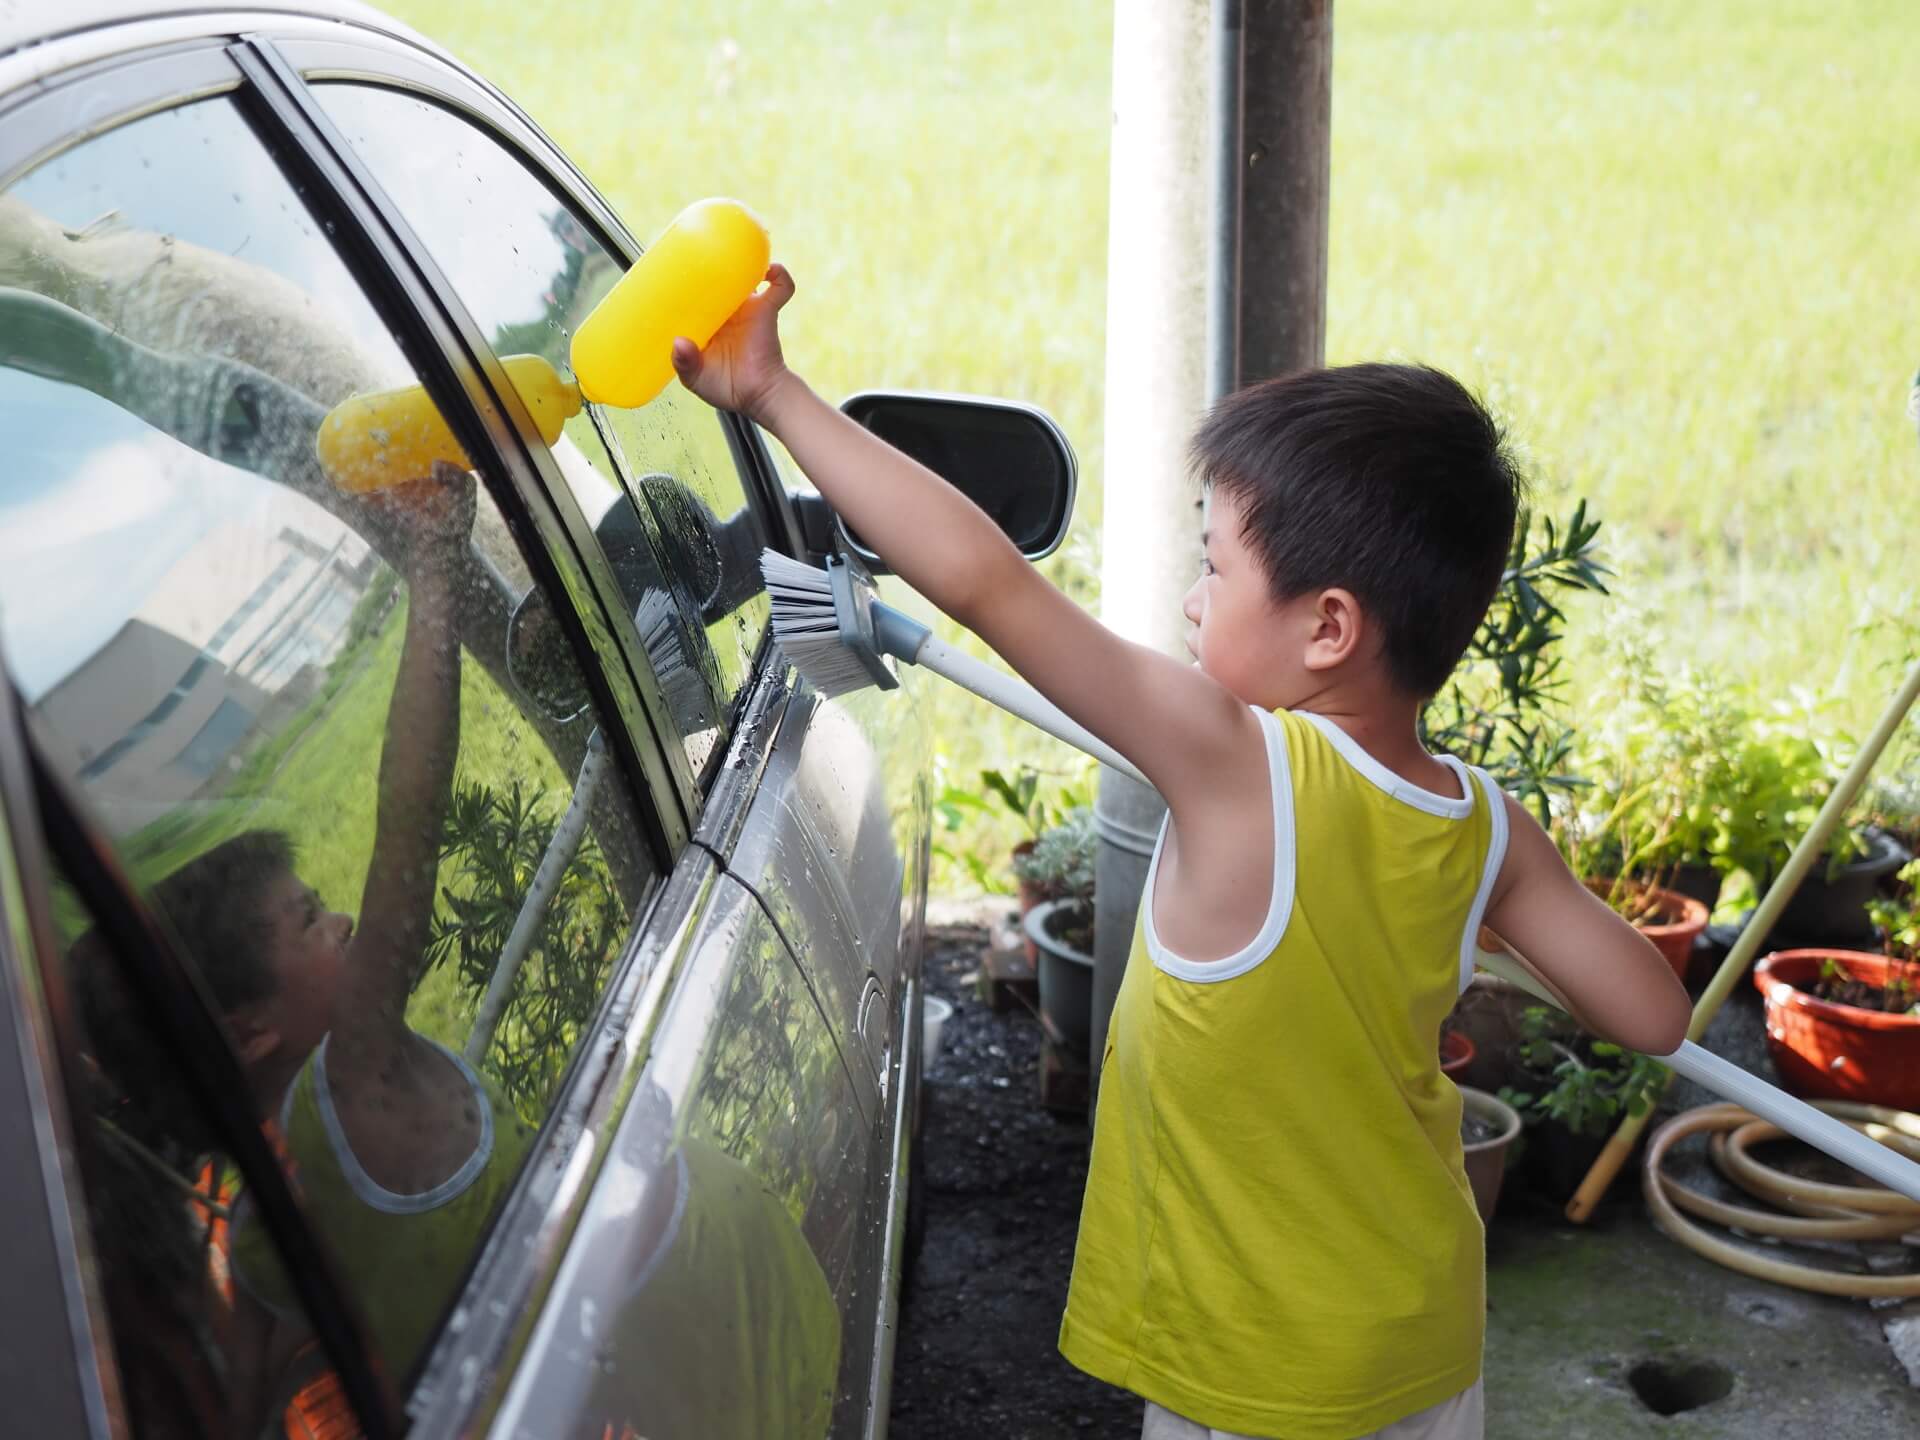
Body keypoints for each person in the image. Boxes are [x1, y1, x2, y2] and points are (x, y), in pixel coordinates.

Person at [669, 266, 1692, 1440]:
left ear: (1329, 628)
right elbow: (1655, 1017)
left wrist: (777, 394)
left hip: (1259, 1375)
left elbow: (986, 581)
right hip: (1420, 1344)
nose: (1194, 598)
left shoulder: (1235, 762)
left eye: (1215, 566)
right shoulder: (1484, 825)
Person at [151, 464, 535, 1395]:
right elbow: (412, 815)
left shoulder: (250, 1245)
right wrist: (436, 560)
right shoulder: (354, 1077)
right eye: (309, 919)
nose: (346, 919)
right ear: (249, 1032)